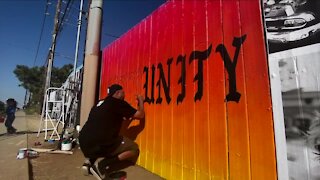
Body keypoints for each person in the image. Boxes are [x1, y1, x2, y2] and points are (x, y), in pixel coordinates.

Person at [79, 84, 145, 179]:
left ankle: (88, 163)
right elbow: (140, 115)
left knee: (96, 137)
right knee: (134, 148)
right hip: (100, 143)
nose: (124, 95)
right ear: (118, 93)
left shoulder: (100, 103)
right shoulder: (118, 103)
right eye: (123, 93)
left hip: (83, 142)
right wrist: (141, 102)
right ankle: (101, 165)